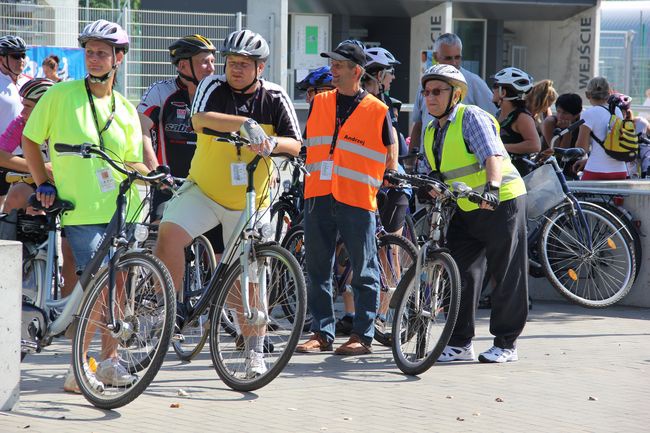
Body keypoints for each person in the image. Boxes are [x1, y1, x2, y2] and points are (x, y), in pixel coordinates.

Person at [153, 29, 302, 377]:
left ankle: (253, 352)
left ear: (260, 68)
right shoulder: (212, 86)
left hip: (252, 198)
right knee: (168, 235)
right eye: (232, 62)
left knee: (249, 276)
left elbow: (296, 144)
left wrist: (271, 142)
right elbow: (199, 120)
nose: (235, 69)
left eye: (245, 65)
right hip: (204, 190)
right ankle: (170, 312)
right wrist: (246, 124)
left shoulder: (276, 97)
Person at [23, 19, 148, 392]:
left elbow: (133, 162)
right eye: (89, 52)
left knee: (118, 284)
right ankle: (79, 366)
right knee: (98, 281)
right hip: (81, 209)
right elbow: (31, 140)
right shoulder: (61, 96)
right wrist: (43, 181)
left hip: (124, 210)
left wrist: (153, 175)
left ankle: (109, 362)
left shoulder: (125, 109)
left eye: (102, 53)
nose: (94, 59)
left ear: (119, 58)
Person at [418, 64, 528, 364]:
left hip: (500, 200)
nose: (430, 98)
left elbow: (491, 153)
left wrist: (492, 188)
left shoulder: (471, 117)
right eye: (427, 92)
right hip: (466, 205)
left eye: (437, 91)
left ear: (456, 94)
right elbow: (434, 171)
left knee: (505, 273)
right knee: (461, 273)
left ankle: (506, 343)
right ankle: (460, 342)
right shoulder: (431, 130)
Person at [295, 40, 397, 356]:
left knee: (364, 269)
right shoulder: (320, 102)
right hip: (319, 194)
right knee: (317, 268)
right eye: (332, 64)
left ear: (356, 71)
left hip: (356, 197)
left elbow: (390, 154)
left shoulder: (378, 110)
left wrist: (385, 179)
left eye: (338, 65)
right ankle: (322, 332)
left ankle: (361, 335)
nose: (333, 71)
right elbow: (310, 143)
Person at [137, 34, 226, 256]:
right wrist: (155, 170)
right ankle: (161, 290)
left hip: (209, 183)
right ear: (184, 65)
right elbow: (141, 130)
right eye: (205, 61)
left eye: (213, 61)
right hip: (170, 182)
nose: (211, 68)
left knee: (219, 250)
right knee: (162, 237)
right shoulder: (161, 91)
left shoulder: (219, 94)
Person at [410, 33, 496, 159]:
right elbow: (418, 125)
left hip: (458, 161)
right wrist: (411, 160)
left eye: (457, 57)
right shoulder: (425, 83)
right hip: (428, 162)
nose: (454, 62)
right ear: (435, 56)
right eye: (448, 58)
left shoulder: (473, 82)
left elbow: (494, 118)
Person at [573, 76, 627, 180]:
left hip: (596, 171)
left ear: (587, 95)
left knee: (579, 196)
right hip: (620, 171)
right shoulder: (617, 111)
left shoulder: (588, 114)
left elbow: (581, 149)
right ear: (609, 94)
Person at [492, 66, 541, 176]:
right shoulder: (499, 113)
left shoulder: (522, 117)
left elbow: (535, 145)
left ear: (503, 92)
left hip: (517, 174)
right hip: (501, 171)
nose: (493, 90)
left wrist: (502, 148)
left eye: (495, 86)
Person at [0, 35, 31, 210]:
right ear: (1, 58)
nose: (21, 60)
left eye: (23, 55)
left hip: (26, 154)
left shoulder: (28, 81)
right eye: (15, 55)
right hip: (2, 154)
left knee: (20, 208)